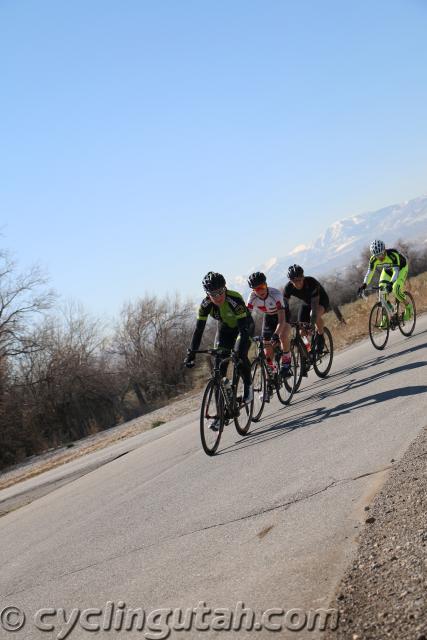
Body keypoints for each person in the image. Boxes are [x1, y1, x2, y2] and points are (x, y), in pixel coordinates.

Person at [184, 272, 254, 429]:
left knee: (240, 354)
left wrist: (238, 349)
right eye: (214, 293)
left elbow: (243, 328)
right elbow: (198, 330)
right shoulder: (205, 305)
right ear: (207, 295)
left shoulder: (234, 298)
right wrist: (192, 353)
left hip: (243, 327)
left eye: (221, 291)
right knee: (218, 368)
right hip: (224, 330)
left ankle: (248, 386)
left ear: (225, 288)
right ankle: (221, 414)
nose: (218, 296)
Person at [246, 271, 293, 378]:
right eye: (257, 289)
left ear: (266, 284)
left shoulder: (275, 294)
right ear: (253, 290)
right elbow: (246, 318)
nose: (260, 290)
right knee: (266, 349)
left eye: (262, 286)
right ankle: (273, 373)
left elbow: (281, 321)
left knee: (282, 336)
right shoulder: (252, 298)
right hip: (269, 316)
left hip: (282, 314)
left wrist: (275, 335)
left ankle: (286, 364)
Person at [357, 240, 413, 324]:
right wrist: (364, 285)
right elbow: (370, 273)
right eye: (377, 256)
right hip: (387, 271)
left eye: (381, 254)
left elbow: (396, 271)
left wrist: (391, 283)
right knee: (382, 293)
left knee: (395, 289)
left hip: (400, 269)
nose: (380, 257)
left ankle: (408, 307)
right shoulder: (373, 260)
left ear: (384, 250)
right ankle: (387, 315)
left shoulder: (392, 255)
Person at [283, 264, 330, 351]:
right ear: (290, 281)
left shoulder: (311, 282)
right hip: (306, 303)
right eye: (294, 281)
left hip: (321, 301)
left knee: (314, 316)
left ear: (303, 277)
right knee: (301, 331)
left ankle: (320, 335)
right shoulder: (288, 288)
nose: (297, 283)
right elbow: (284, 306)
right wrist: (285, 320)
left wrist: (311, 325)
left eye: (299, 280)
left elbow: (314, 308)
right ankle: (307, 351)